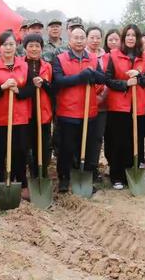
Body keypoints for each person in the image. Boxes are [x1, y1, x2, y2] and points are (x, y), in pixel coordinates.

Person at [52, 27, 105, 193]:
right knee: (67, 148)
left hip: (89, 111)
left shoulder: (94, 59)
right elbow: (58, 81)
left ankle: (84, 176)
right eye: (76, 38)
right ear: (70, 40)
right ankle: (64, 178)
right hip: (68, 111)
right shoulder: (60, 59)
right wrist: (80, 78)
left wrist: (94, 76)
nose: (80, 41)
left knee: (88, 147)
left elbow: (103, 78)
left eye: (82, 37)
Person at [0, 31, 33, 199]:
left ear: (16, 47)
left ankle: (21, 182)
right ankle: (0, 182)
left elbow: (30, 89)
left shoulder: (24, 66)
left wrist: (18, 90)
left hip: (19, 117)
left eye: (11, 44)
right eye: (5, 44)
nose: (8, 48)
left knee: (20, 151)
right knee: (0, 152)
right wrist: (3, 87)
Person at [105, 25, 145, 189]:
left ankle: (129, 174)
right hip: (119, 106)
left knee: (135, 141)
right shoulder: (114, 55)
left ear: (138, 38)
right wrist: (125, 83)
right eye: (128, 35)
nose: (131, 38)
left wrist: (139, 77)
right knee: (118, 141)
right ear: (123, 38)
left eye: (134, 35)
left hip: (138, 105)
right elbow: (108, 80)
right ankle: (116, 175)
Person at [23, 34, 53, 180]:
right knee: (27, 145)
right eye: (31, 46)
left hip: (44, 112)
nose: (34, 49)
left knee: (44, 146)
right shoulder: (20, 65)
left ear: (42, 48)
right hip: (25, 112)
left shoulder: (47, 66)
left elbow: (54, 89)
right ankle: (32, 172)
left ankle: (43, 172)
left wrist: (44, 83)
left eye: (37, 46)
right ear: (25, 48)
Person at [85, 26, 108, 181]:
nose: (95, 40)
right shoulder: (81, 55)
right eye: (92, 37)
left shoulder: (106, 57)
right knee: (84, 136)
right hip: (83, 103)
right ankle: (81, 167)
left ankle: (93, 168)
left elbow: (109, 78)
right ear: (87, 38)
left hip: (102, 104)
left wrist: (102, 96)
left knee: (97, 137)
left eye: (98, 37)